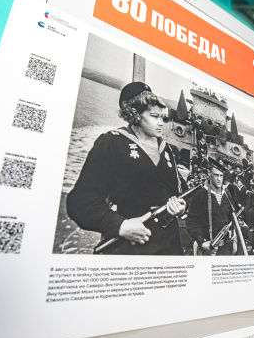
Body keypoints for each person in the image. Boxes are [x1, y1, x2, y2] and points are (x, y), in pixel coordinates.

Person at [66, 82, 187, 255]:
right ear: (135, 114)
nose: (161, 123)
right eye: (155, 116)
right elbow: (80, 201)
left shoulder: (167, 149)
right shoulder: (111, 143)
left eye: (163, 118)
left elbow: (182, 192)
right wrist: (120, 225)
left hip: (170, 246)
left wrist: (182, 207)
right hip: (131, 247)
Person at [187, 158, 238, 255]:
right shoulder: (200, 195)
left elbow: (232, 218)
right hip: (209, 249)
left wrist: (234, 238)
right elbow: (191, 222)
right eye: (216, 175)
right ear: (209, 174)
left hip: (226, 248)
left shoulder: (227, 195)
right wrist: (201, 242)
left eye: (221, 176)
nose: (219, 179)